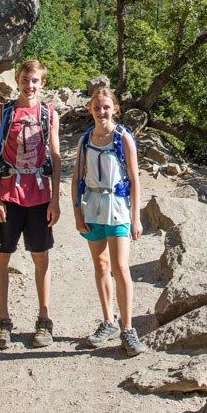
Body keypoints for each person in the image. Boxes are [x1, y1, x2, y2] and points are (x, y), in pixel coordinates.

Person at [0, 59, 61, 350]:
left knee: (41, 257)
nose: (30, 86)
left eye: (36, 81)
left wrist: (56, 199)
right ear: (17, 80)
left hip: (40, 197)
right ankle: (3, 322)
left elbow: (55, 156)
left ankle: (44, 320)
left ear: (43, 83)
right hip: (10, 196)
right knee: (2, 256)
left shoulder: (49, 114)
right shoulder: (2, 114)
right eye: (26, 80)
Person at [72, 86, 145, 356]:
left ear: (115, 109)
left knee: (120, 266)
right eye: (97, 107)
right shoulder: (85, 139)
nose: (102, 112)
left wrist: (136, 218)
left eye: (106, 107)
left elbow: (135, 179)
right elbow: (77, 178)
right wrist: (77, 212)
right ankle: (109, 321)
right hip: (93, 206)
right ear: (90, 109)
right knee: (101, 265)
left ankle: (128, 328)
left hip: (117, 207)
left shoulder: (123, 137)